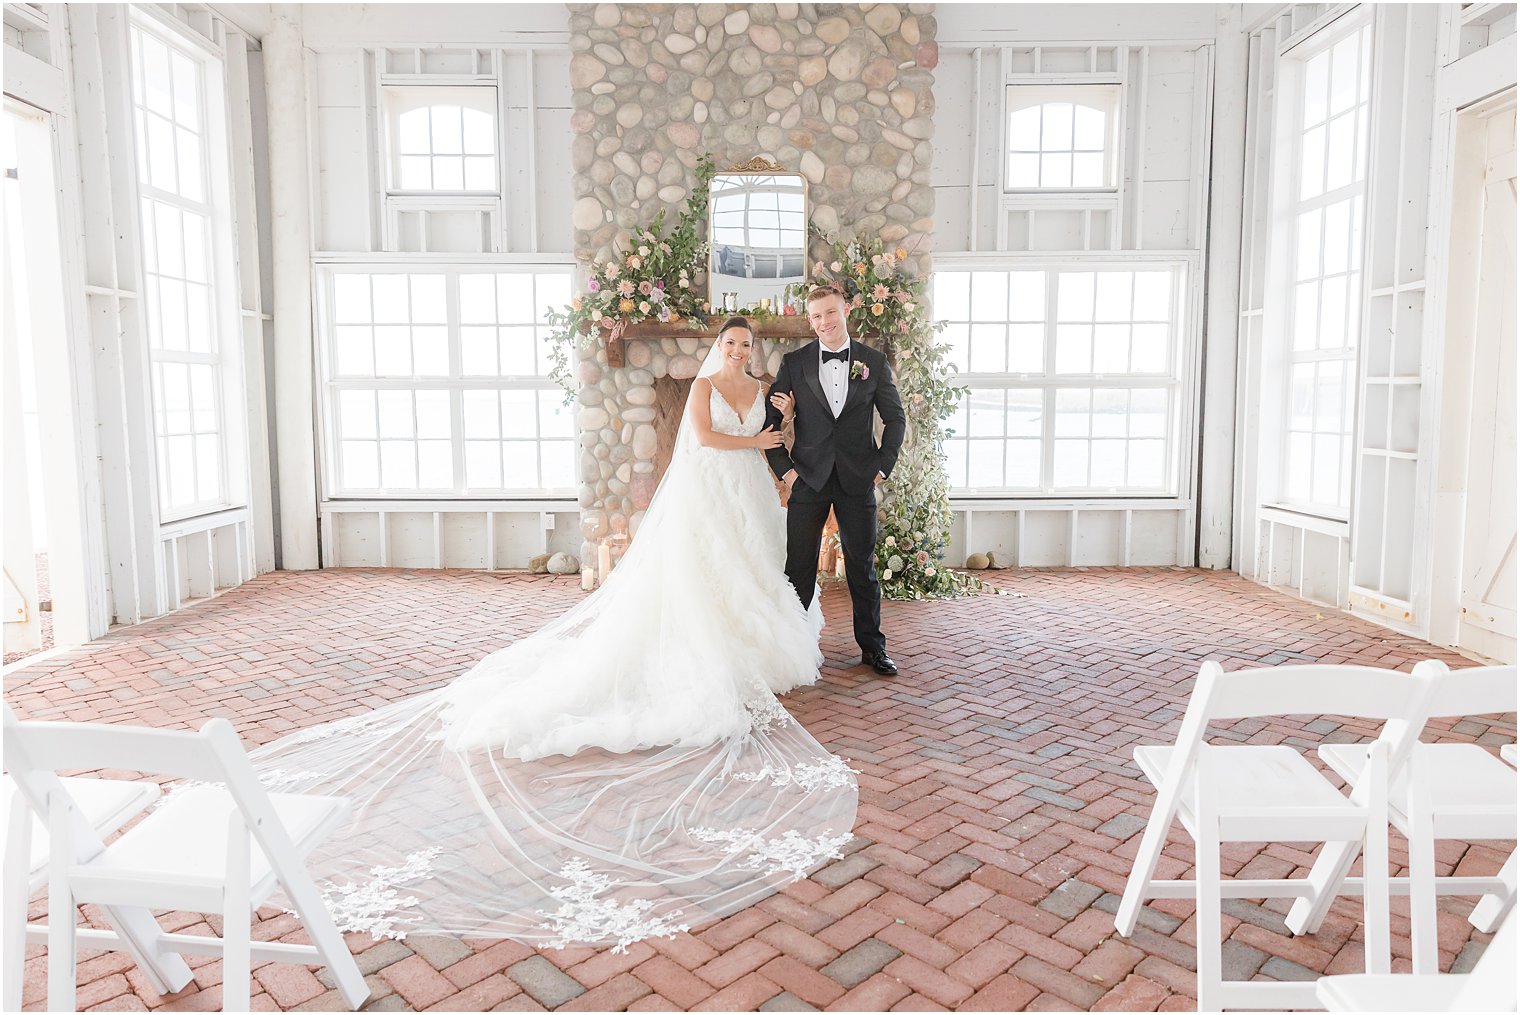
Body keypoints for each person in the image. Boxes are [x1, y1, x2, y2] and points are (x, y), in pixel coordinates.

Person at [247, 316, 857, 953]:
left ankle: (750, 644)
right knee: (705, 579)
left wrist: (777, 429)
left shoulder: (762, 389)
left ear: (753, 351)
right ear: (718, 348)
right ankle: (711, 649)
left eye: (744, 345)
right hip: (709, 495)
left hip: (748, 496)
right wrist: (759, 436)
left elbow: (769, 442)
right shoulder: (704, 389)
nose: (737, 350)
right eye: (729, 344)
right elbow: (702, 439)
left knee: (751, 571)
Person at [764, 285, 906, 676]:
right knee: (799, 568)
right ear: (809, 321)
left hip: (858, 478)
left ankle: (873, 649)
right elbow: (770, 426)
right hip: (807, 479)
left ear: (846, 310)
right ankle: (793, 650)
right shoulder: (794, 363)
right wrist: (787, 472)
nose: (824, 322)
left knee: (862, 566)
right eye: (816, 317)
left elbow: (896, 419)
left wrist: (883, 465)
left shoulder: (873, 362)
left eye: (830, 313)